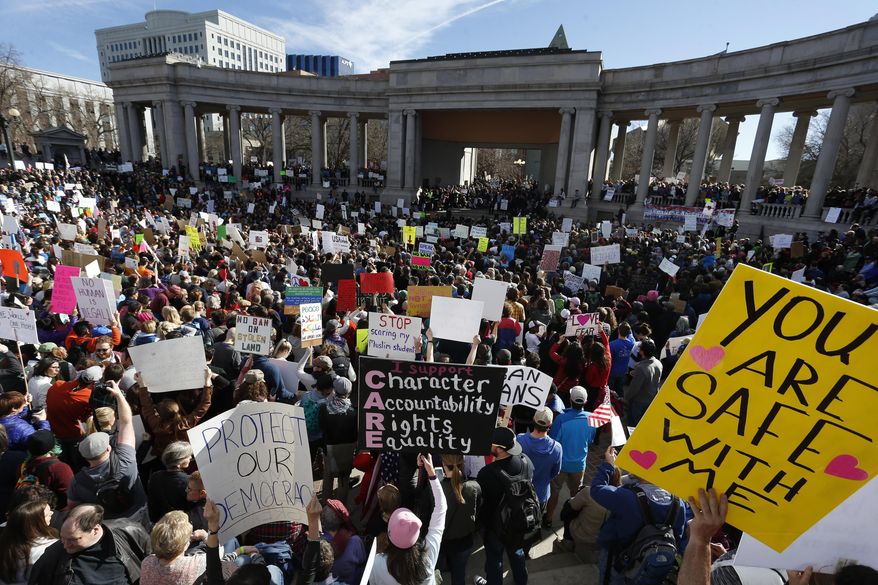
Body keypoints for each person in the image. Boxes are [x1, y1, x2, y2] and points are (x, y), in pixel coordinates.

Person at [590, 446, 688, 585]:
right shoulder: (679, 503)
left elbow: (597, 489)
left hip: (618, 557)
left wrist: (608, 465)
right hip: (651, 563)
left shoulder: (626, 498)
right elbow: (679, 536)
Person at [66, 379, 147, 521]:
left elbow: (72, 506)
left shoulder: (77, 482)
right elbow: (126, 421)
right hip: (138, 515)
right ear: (109, 448)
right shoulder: (125, 460)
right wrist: (119, 396)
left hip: (108, 524)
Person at [370, 454, 447, 585]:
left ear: (390, 534)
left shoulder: (378, 563)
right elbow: (441, 507)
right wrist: (432, 474)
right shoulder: (428, 557)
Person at [28, 503, 151, 585]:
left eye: (73, 539)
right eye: (62, 538)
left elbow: (155, 561)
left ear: (95, 530)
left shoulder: (130, 532)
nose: (65, 545)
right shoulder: (54, 553)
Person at [474, 427, 536, 585]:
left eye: (491, 444)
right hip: (519, 521)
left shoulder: (486, 474)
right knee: (517, 552)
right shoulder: (526, 461)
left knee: (495, 559)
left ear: (500, 449)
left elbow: (482, 504)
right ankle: (521, 580)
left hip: (496, 529)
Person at [140, 510, 237, 585]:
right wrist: (205, 535)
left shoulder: (147, 563)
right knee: (231, 542)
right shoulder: (193, 565)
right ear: (186, 544)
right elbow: (218, 552)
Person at [546, 386, 595, 525]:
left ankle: (548, 519)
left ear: (570, 400)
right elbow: (591, 440)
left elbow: (553, 441)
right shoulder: (592, 418)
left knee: (554, 491)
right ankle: (572, 521)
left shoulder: (561, 419)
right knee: (575, 494)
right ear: (585, 402)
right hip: (579, 464)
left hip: (560, 464)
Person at [45, 365, 102, 467]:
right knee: (77, 466)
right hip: (74, 436)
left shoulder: (56, 385)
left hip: (55, 435)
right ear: (94, 383)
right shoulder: (88, 397)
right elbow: (87, 418)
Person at [516, 406, 562, 529]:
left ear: (533, 420)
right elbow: (555, 472)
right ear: (550, 425)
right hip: (540, 494)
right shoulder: (557, 448)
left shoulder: (519, 440)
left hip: (520, 493)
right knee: (534, 522)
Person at [438, 454, 481, 585]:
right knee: (459, 576)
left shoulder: (436, 489)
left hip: (442, 542)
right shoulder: (474, 487)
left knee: (435, 575)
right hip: (464, 542)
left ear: (444, 466)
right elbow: (477, 511)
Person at [0, 498, 58, 585]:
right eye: (46, 514)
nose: (52, 513)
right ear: (36, 522)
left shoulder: (6, 539)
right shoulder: (50, 546)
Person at [318, 379, 357, 504]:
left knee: (328, 476)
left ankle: (325, 504)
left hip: (329, 448)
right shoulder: (354, 410)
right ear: (349, 392)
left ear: (334, 390)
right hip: (348, 448)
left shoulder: (324, 407)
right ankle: (340, 508)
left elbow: (321, 427)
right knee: (343, 479)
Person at [23, 430, 74, 510]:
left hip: (35, 511)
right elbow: (70, 494)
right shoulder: (59, 467)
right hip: (55, 513)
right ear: (53, 446)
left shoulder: (24, 466)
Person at [147, 442, 193, 523]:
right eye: (187, 455)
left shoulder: (155, 476)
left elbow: (152, 504)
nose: (190, 457)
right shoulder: (188, 481)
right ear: (179, 462)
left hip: (162, 522)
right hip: (181, 524)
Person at [625, 339, 662, 426]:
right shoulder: (658, 363)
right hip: (652, 399)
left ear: (642, 352)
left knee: (633, 425)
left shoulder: (641, 368)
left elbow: (634, 388)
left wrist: (626, 398)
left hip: (639, 401)